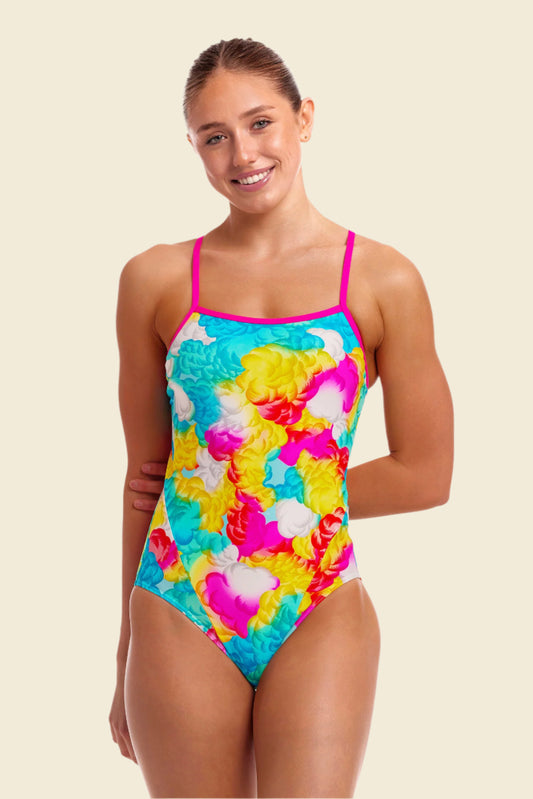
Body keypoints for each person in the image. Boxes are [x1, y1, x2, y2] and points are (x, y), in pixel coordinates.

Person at [108, 37, 454, 798]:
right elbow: (144, 481)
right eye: (214, 136)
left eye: (260, 122)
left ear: (304, 119)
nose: (242, 154)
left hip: (317, 597)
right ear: (194, 148)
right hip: (178, 599)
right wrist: (124, 649)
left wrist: (271, 494)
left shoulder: (383, 279)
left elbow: (426, 473)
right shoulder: (155, 280)